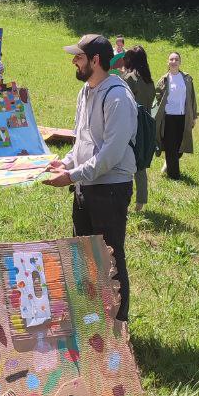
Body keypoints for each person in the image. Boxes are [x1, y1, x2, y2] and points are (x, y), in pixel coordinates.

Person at [43, 34, 137, 322]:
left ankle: (117, 324)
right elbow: (83, 141)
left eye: (79, 57)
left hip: (110, 189)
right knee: (82, 254)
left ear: (95, 60)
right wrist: (67, 162)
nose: (74, 61)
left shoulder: (118, 96)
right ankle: (91, 317)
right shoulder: (85, 91)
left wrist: (71, 175)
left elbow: (109, 155)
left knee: (108, 257)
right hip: (86, 184)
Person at [120, 45, 155, 212]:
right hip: (147, 125)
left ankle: (122, 201)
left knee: (124, 161)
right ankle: (140, 201)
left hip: (131, 124)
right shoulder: (149, 80)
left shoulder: (129, 78)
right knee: (140, 164)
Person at [153, 52, 199, 180]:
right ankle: (174, 176)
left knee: (180, 146)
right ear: (168, 62)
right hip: (168, 118)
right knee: (171, 146)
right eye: (171, 59)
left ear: (180, 62)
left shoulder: (187, 78)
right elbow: (156, 100)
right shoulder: (163, 80)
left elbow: (192, 98)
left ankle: (168, 163)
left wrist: (194, 116)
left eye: (176, 59)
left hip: (183, 117)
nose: (174, 61)